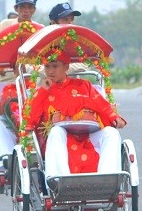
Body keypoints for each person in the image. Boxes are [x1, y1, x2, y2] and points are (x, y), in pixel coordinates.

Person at [24, 48, 127, 178]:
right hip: (61, 139)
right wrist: (43, 91)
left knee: (111, 133)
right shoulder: (42, 92)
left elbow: (101, 104)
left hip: (88, 135)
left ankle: (108, 178)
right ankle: (59, 180)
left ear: (66, 67)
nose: (50, 71)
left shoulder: (83, 85)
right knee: (56, 131)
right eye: (47, 66)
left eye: (55, 66)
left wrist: (114, 117)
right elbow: (29, 119)